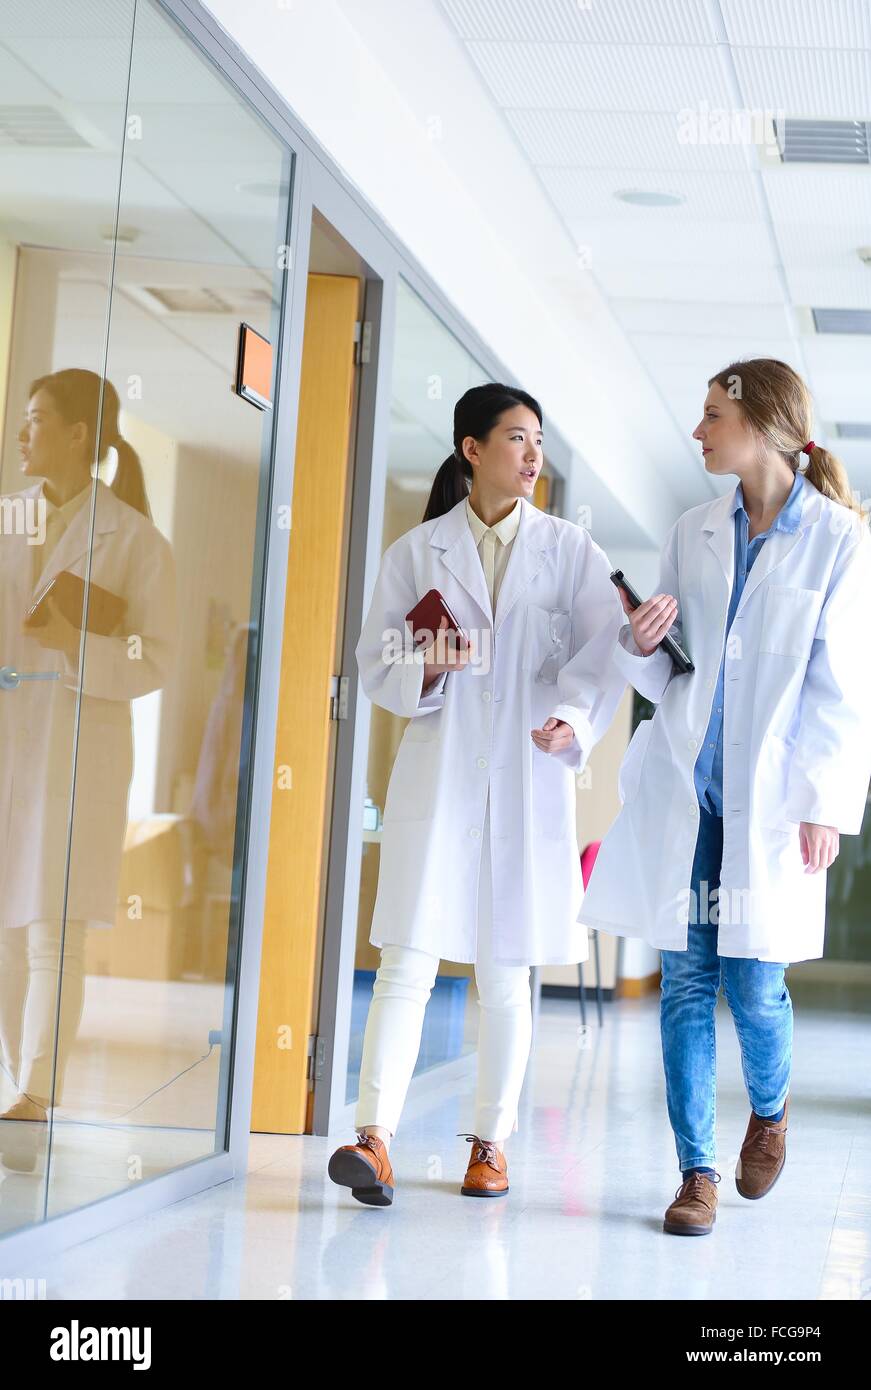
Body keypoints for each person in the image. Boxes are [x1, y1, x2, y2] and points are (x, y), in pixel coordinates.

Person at [579, 358, 871, 1235]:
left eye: (711, 415)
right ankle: (695, 1174)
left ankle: (771, 1111)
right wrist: (638, 638)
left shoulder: (838, 539)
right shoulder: (691, 529)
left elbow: (842, 683)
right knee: (683, 983)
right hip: (688, 793)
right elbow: (671, 661)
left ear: (765, 424)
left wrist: (823, 800)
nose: (698, 431)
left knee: (752, 984)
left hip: (772, 800)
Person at [328, 382, 627, 1204]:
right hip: (442, 771)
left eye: (538, 442)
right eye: (516, 439)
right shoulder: (416, 551)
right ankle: (373, 1139)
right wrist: (428, 664)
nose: (532, 456)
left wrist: (573, 717)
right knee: (406, 962)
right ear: (471, 450)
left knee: (504, 973)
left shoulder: (569, 549)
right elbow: (376, 664)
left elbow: (604, 655)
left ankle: (489, 1146)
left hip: (528, 777)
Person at [0, 368, 176, 1167]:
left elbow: (155, 658)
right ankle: (18, 1083)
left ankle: (37, 1094)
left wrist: (73, 639)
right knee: (7, 932)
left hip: (77, 743)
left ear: (78, 433)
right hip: (12, 734)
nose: (23, 433)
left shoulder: (135, 538)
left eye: (37, 420)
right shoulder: (10, 517)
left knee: (51, 932)